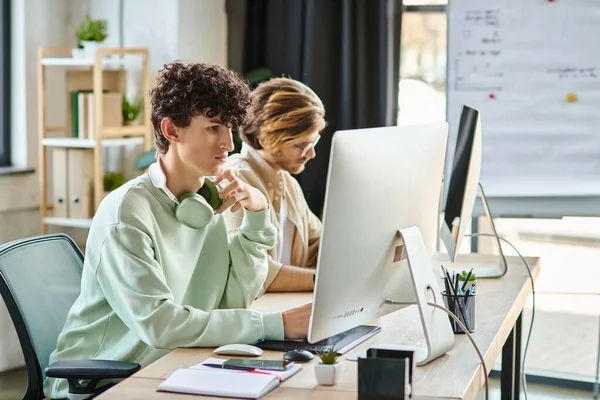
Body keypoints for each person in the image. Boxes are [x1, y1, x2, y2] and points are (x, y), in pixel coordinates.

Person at [44, 62, 311, 399]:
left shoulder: (205, 201)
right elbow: (161, 324)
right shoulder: (128, 212)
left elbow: (231, 301)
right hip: (106, 379)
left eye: (229, 127)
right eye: (213, 127)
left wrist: (257, 218)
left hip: (176, 364)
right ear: (171, 130)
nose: (228, 143)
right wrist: (280, 325)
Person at [224, 77, 326, 293]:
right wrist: (323, 281)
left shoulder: (287, 183)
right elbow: (256, 273)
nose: (311, 154)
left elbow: (319, 242)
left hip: (285, 305)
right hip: (257, 315)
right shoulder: (235, 179)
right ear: (267, 138)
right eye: (302, 146)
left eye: (313, 142)